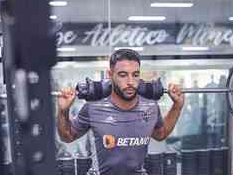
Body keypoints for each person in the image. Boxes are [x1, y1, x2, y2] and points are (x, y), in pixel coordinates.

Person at [57, 49, 185, 175]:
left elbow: (160, 134)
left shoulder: (150, 107)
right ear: (110, 75)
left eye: (135, 75)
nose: (130, 82)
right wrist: (63, 110)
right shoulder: (93, 107)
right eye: (123, 75)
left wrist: (177, 106)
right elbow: (67, 136)